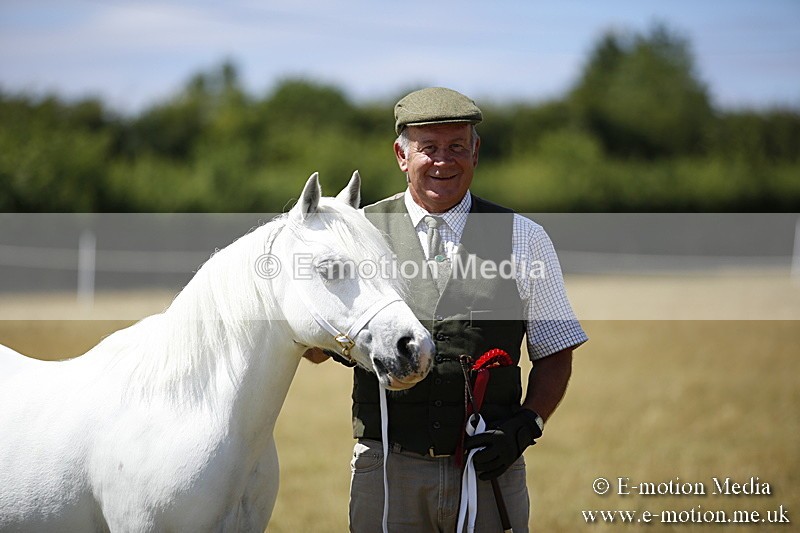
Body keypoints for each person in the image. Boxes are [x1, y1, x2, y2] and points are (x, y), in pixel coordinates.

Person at [307, 87, 587, 532]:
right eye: (428, 148)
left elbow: (555, 350)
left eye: (457, 146)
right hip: (386, 470)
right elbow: (314, 343)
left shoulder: (525, 237)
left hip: (489, 468)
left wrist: (526, 425)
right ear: (401, 155)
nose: (444, 160)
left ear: (476, 152)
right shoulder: (357, 232)